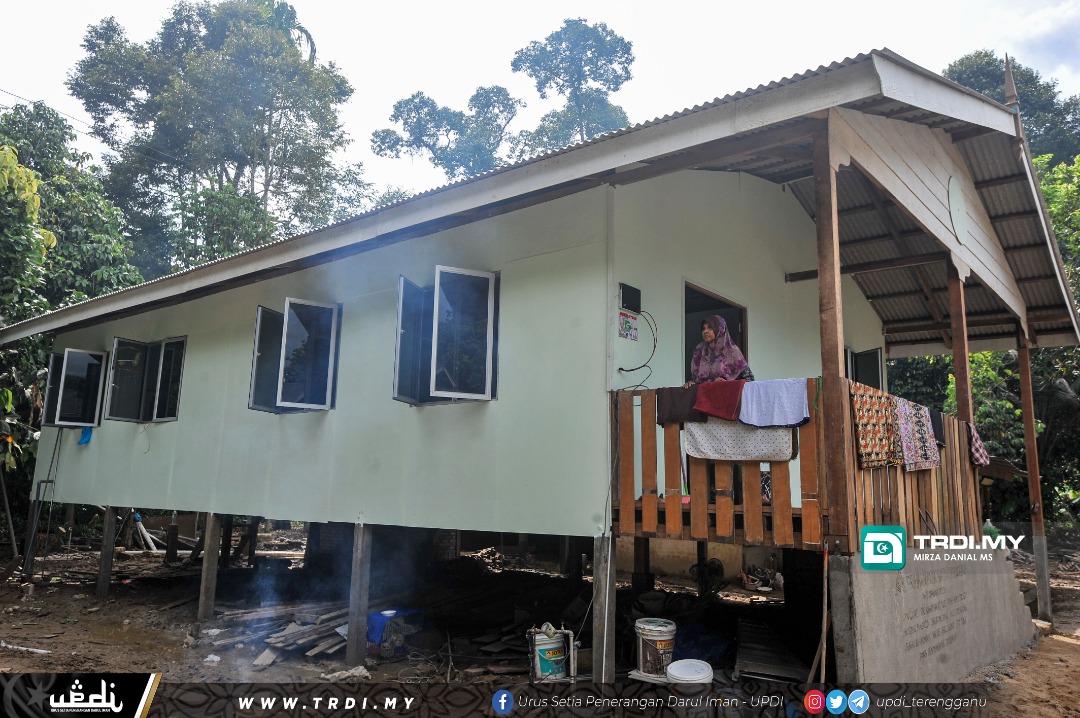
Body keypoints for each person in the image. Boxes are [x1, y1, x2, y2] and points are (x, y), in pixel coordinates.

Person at [685, 315, 754, 387]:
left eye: (710, 328)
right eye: (703, 329)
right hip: (703, 394)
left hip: (727, 394)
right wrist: (690, 383)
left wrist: (726, 382)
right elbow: (694, 379)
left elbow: (749, 381)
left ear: (720, 329)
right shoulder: (699, 350)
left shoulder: (732, 351)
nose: (705, 331)